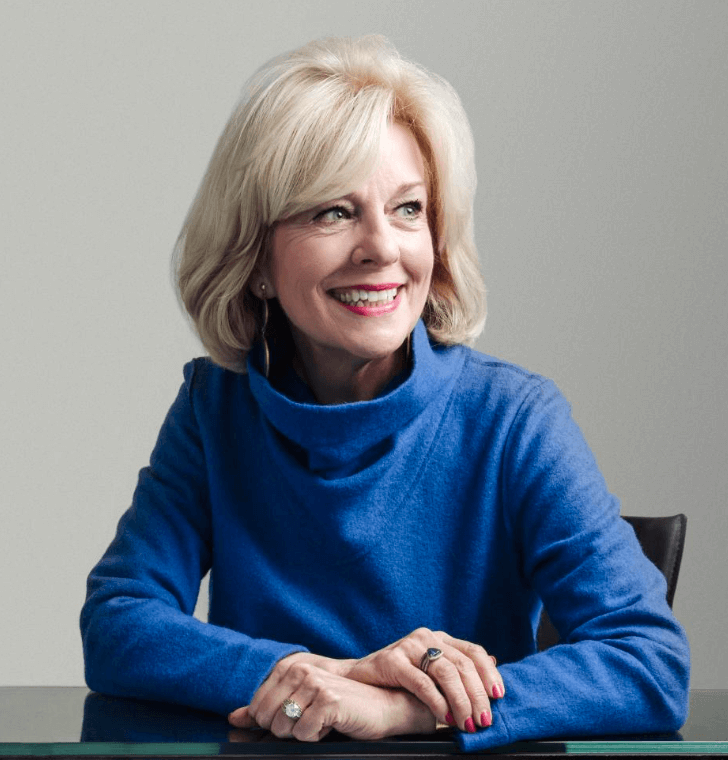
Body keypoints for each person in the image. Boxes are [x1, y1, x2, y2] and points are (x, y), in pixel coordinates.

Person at [80, 36, 689, 751]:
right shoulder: (214, 409)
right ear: (256, 259)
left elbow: (650, 662)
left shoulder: (516, 420)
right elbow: (119, 619)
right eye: (333, 212)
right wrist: (314, 676)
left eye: (407, 210)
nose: (382, 248)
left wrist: (411, 709)